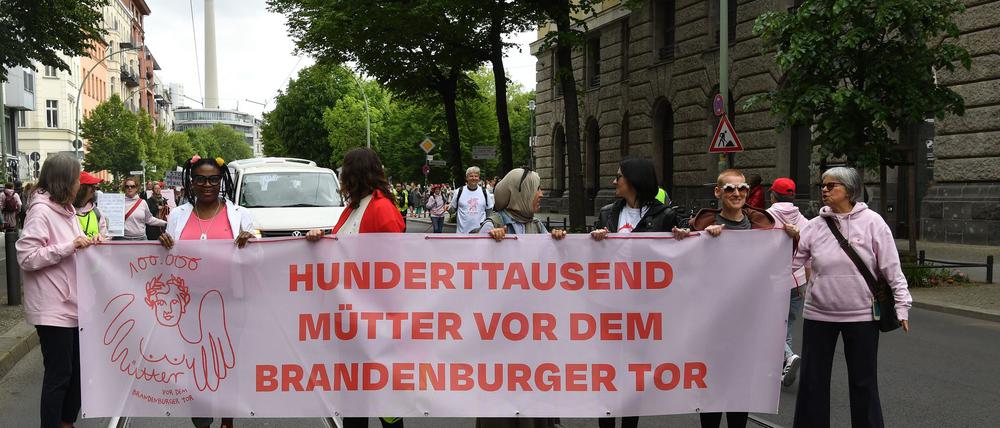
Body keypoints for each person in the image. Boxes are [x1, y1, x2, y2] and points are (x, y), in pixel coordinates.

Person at [786, 167, 912, 428]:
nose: (825, 190)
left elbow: (891, 269)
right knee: (813, 381)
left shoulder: (873, 222)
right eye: (823, 185)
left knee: (863, 381)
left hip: (862, 315)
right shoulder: (816, 226)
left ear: (850, 190)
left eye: (832, 186)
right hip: (819, 315)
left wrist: (902, 306)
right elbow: (791, 263)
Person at [673, 169, 796, 428]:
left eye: (742, 189)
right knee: (713, 387)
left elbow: (777, 264)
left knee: (741, 388)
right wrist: (689, 239)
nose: (736, 193)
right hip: (712, 322)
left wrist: (791, 240)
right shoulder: (703, 226)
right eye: (729, 189)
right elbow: (685, 266)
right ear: (718, 193)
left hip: (749, 321)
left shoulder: (763, 226)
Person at [306, 147, 405, 428]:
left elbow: (392, 268)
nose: (341, 178)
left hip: (375, 321)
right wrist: (322, 238)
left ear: (355, 174)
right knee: (354, 394)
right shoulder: (355, 207)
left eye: (344, 172)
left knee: (385, 398)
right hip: (352, 320)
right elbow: (343, 246)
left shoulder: (381, 208)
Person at [589, 158, 687, 428]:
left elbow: (680, 257)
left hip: (642, 310)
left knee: (634, 373)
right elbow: (589, 257)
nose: (614, 181)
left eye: (618, 176)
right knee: (606, 372)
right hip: (607, 307)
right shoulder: (608, 212)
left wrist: (683, 237)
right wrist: (594, 240)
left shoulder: (665, 215)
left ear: (633, 181)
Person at [159, 156, 255, 428]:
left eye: (213, 179)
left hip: (230, 304)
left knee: (227, 365)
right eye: (200, 179)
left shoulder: (240, 216)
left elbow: (256, 261)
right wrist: (163, 243)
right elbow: (167, 262)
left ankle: (227, 421)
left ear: (221, 181)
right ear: (193, 182)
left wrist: (252, 243)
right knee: (195, 366)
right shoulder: (178, 216)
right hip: (189, 306)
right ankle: (202, 421)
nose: (207, 184)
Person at [476, 168, 564, 428]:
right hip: (502, 331)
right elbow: (473, 270)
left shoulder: (538, 226)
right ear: (520, 192)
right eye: (535, 188)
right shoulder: (492, 224)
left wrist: (559, 244)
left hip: (534, 329)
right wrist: (488, 243)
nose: (540, 194)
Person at [16, 153, 95, 428]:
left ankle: (65, 422)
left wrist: (90, 245)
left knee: (76, 372)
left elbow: (72, 247)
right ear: (64, 182)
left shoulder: (66, 211)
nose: (79, 185)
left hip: (71, 305)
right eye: (76, 179)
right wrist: (70, 247)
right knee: (59, 375)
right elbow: (26, 256)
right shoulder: (41, 211)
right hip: (52, 308)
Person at [765, 178, 810, 387]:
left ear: (772, 195)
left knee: (767, 326)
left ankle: (789, 357)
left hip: (772, 282)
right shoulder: (804, 220)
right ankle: (782, 369)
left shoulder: (765, 218)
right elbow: (810, 255)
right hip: (798, 281)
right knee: (786, 326)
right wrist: (807, 283)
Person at [450, 166, 494, 233]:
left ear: (478, 178)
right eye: (471, 176)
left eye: (476, 176)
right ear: (467, 178)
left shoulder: (485, 192)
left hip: (480, 234)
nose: (474, 178)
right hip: (462, 233)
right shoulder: (458, 191)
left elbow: (489, 212)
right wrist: (448, 208)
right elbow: (452, 210)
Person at [74, 172, 109, 241]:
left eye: (95, 186)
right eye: (92, 186)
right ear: (81, 189)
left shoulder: (97, 212)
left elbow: (105, 236)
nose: (95, 189)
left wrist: (101, 238)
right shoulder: (65, 212)